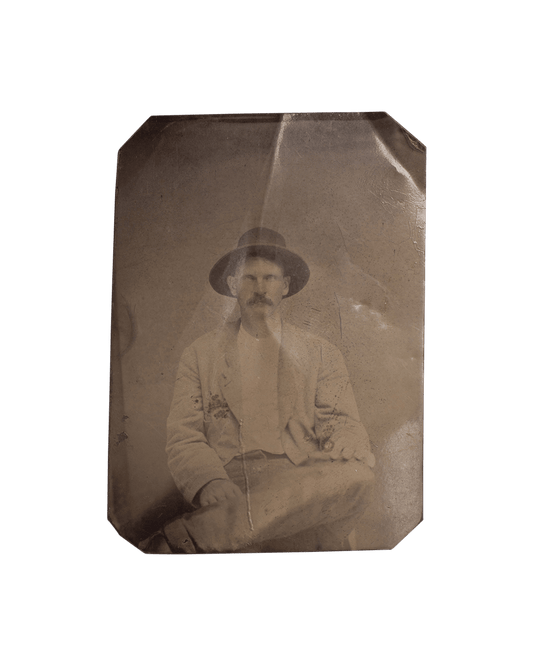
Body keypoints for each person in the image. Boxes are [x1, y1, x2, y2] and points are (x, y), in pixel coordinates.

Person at [139, 227, 375, 554]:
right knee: (307, 538)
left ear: (286, 287)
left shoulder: (322, 353)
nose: (260, 289)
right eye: (249, 278)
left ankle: (189, 538)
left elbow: (340, 421)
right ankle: (273, 537)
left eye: (270, 279)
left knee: (359, 477)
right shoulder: (201, 353)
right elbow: (184, 435)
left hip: (302, 479)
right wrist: (210, 481)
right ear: (233, 285)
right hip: (233, 481)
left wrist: (347, 439)